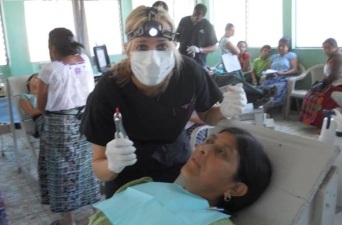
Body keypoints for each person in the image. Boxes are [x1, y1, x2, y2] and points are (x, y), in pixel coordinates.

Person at [80, 6, 247, 199]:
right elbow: (98, 166)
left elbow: (207, 115)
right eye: (142, 46)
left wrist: (224, 110)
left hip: (180, 170)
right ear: (127, 49)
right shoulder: (109, 87)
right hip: (127, 182)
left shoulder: (190, 73)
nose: (153, 58)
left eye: (162, 46)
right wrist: (112, 165)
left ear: (174, 46)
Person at [88, 127, 273, 225]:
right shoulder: (142, 186)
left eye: (221, 152)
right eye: (208, 141)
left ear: (235, 188)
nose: (202, 148)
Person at [36, 27, 101, 225]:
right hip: (86, 120)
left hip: (60, 125)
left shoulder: (49, 69)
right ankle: (95, 214)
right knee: (88, 165)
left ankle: (69, 221)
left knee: (62, 171)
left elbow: (40, 105)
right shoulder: (86, 60)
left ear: (53, 47)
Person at [299, 38, 342, 129]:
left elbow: (333, 75)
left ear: (335, 47)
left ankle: (323, 126)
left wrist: (322, 85)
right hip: (333, 83)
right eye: (324, 48)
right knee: (311, 94)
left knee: (319, 99)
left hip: (338, 85)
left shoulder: (337, 57)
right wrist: (321, 84)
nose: (326, 50)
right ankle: (315, 123)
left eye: (329, 48)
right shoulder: (334, 56)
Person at [259, 37, 298, 110]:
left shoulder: (291, 55)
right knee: (261, 88)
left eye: (283, 46)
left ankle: (269, 106)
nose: (280, 47)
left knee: (278, 88)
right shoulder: (273, 57)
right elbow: (268, 69)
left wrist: (284, 73)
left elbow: (294, 69)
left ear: (288, 47)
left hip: (284, 78)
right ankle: (262, 105)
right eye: (279, 45)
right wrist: (268, 73)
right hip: (272, 77)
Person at [175, 4, 218, 68]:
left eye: (197, 18)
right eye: (193, 15)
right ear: (193, 11)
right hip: (182, 59)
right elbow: (177, 38)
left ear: (203, 16)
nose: (194, 18)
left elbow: (214, 47)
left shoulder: (208, 26)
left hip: (198, 62)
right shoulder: (184, 21)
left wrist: (199, 49)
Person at [19, 73, 44, 138]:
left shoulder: (48, 94)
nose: (39, 80)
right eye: (36, 78)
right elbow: (31, 113)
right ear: (28, 82)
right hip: (41, 118)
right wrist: (49, 108)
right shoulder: (25, 96)